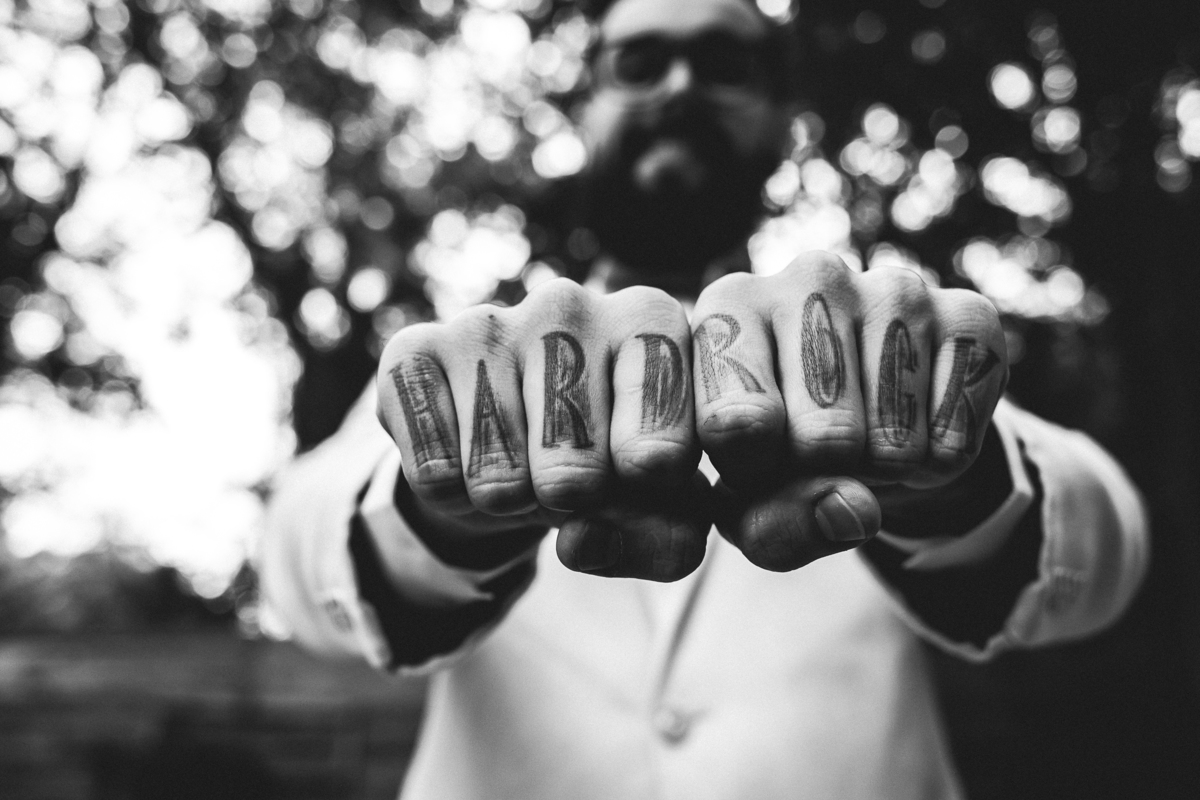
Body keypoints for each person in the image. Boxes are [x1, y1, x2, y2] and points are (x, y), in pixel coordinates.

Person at [260, 0, 1149, 797]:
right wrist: (443, 515)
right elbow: (300, 562)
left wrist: (959, 488)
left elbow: (1104, 558)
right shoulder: (486, 356)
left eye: (724, 65)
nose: (680, 86)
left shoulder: (869, 339)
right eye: (639, 62)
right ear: (588, 109)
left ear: (778, 119)